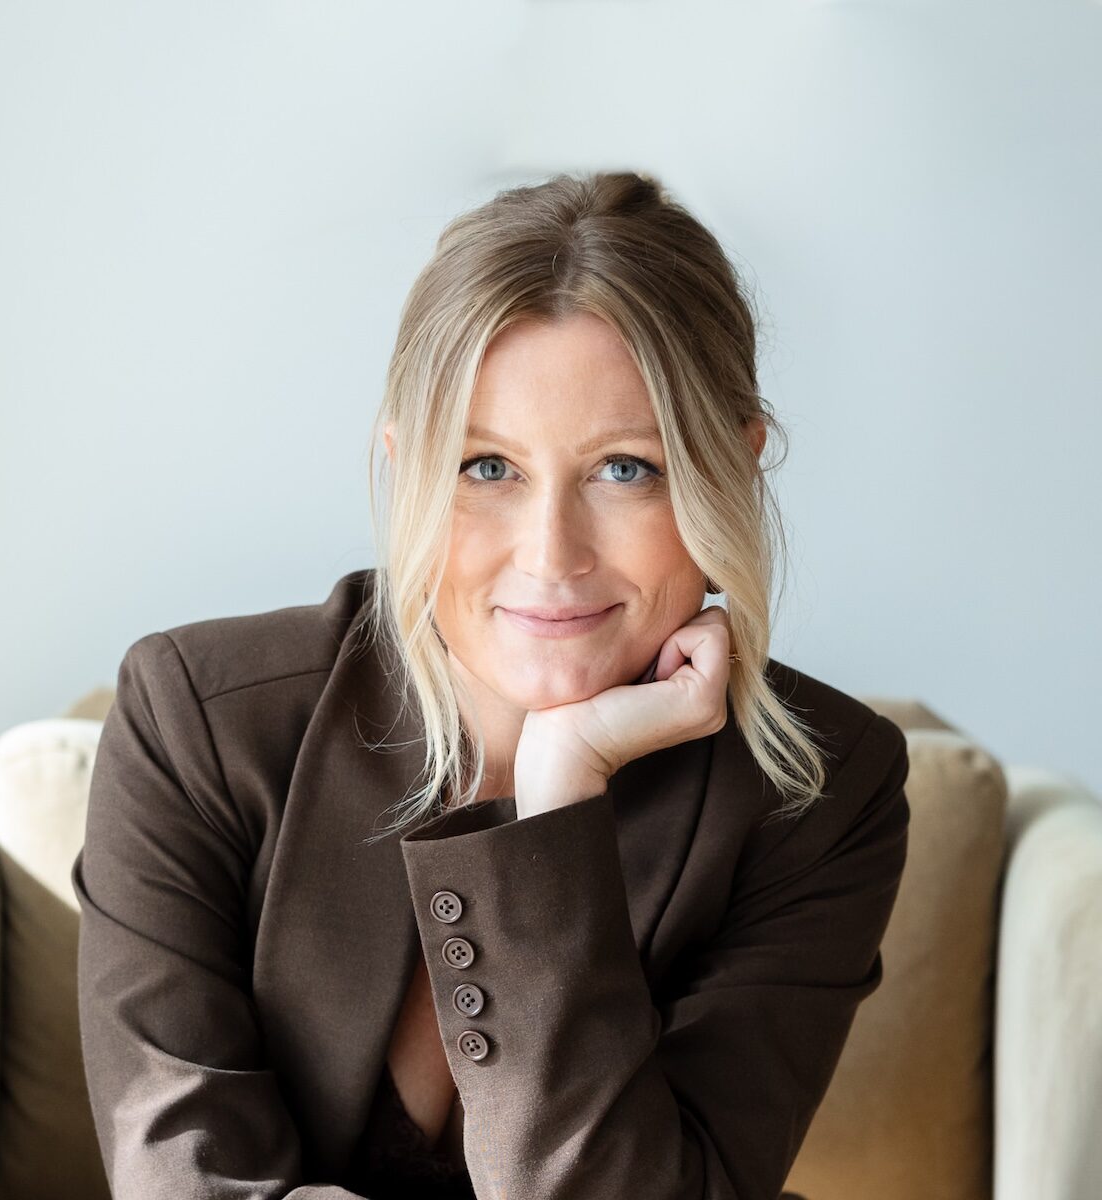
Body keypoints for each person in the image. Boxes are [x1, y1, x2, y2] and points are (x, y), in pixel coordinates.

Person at [71, 169, 909, 1200]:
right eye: (486, 468)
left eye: (625, 469)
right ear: (405, 463)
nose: (551, 555)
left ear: (731, 468)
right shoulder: (195, 721)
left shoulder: (822, 795)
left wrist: (560, 794)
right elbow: (182, 1181)